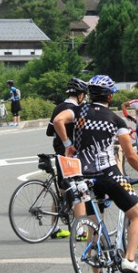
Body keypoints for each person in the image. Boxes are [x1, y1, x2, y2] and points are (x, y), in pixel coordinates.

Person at [53, 75, 138, 273]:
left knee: (94, 226)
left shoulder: (78, 111)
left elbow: (57, 121)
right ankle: (129, 260)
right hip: (109, 175)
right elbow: (130, 155)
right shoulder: (115, 119)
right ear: (110, 96)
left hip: (84, 177)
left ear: (90, 94)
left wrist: (68, 143)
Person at [45, 77, 88, 239]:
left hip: (58, 151)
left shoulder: (59, 107)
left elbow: (49, 132)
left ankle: (54, 228)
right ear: (80, 95)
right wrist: (68, 141)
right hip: (70, 153)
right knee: (79, 190)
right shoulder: (75, 110)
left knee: (63, 190)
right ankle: (80, 231)